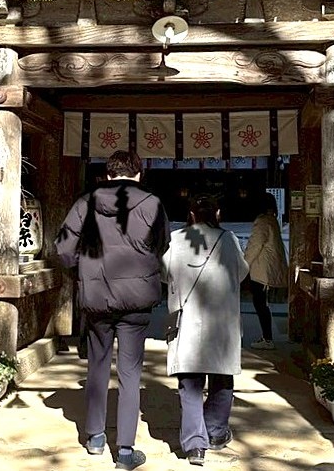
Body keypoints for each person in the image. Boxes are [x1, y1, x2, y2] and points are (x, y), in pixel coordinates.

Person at [54, 150, 170, 471]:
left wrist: (84, 270)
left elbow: (63, 247)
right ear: (139, 174)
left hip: (97, 297)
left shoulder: (85, 203)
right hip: (137, 299)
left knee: (97, 365)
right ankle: (126, 450)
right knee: (131, 372)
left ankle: (95, 437)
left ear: (107, 175)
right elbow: (163, 244)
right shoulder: (152, 203)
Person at [162, 196, 249, 465]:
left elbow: (164, 272)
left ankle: (194, 446)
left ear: (191, 215)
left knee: (189, 383)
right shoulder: (229, 240)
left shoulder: (176, 239)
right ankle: (215, 432)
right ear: (218, 214)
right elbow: (242, 272)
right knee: (221, 379)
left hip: (188, 319)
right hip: (222, 321)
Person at [244, 191, 289, 349]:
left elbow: (254, 246)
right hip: (267, 268)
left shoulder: (262, 222)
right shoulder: (272, 220)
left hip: (261, 269)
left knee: (260, 303)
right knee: (262, 303)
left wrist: (243, 264)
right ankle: (267, 337)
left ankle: (267, 338)